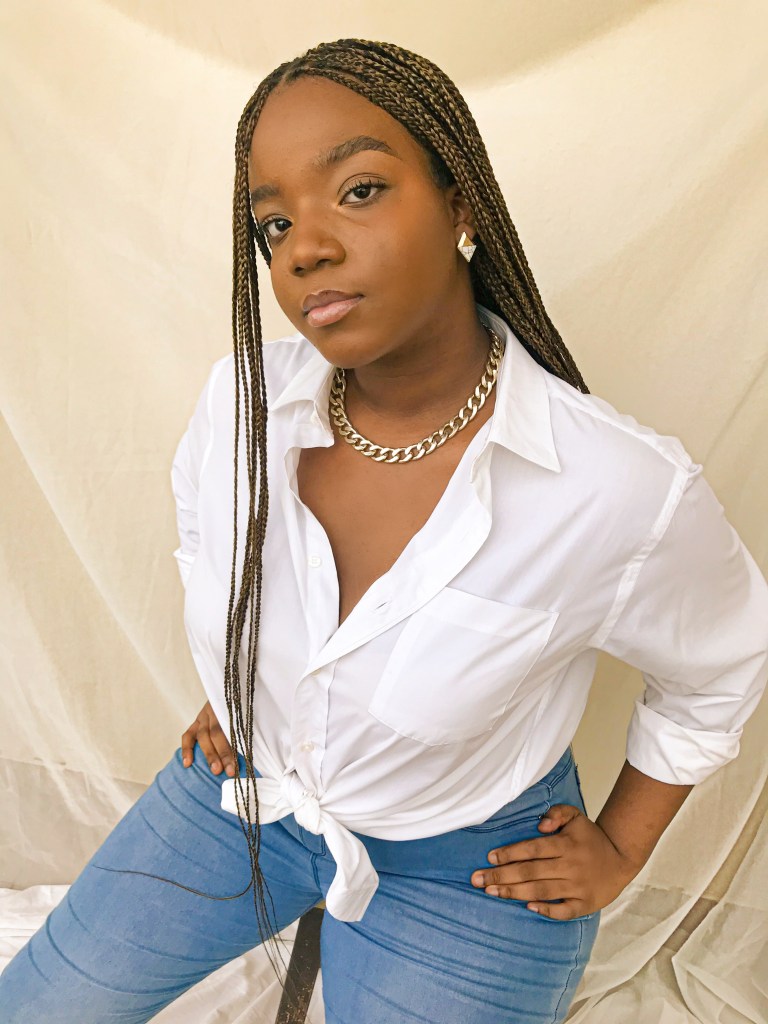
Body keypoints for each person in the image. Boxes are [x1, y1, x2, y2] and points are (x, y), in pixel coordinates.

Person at [2, 37, 767, 1024]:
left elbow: (720, 668)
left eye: (358, 190)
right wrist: (242, 684)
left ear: (462, 204)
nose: (305, 248)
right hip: (248, 794)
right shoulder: (241, 406)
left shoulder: (614, 486)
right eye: (275, 223)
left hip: (472, 862)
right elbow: (205, 538)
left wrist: (621, 846)